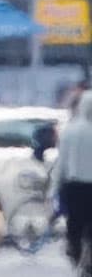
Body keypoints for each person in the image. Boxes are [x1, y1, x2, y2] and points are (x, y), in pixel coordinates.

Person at [57, 91, 92, 264]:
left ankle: (76, 255)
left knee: (75, 226)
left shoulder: (70, 131)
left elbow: (61, 164)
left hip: (75, 187)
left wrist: (56, 188)